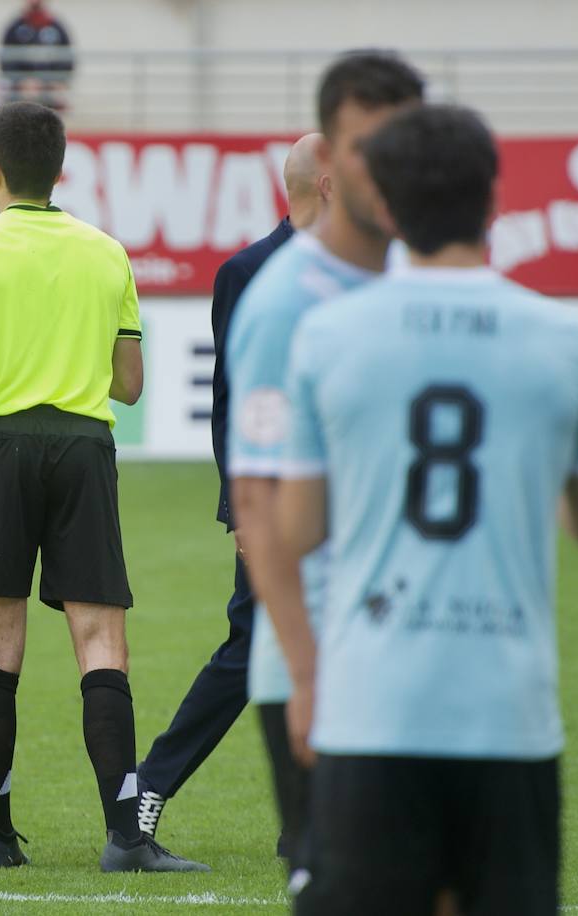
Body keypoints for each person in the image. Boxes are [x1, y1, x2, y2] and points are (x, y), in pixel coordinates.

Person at [275, 104, 578, 916]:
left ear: (385, 205)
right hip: (508, 713)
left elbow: (297, 529)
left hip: (371, 707)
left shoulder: (329, 335)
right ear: (494, 201)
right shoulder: (565, 338)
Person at [0, 100, 206, 873]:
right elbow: (130, 385)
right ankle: (125, 839)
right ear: (61, 170)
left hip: (0, 449)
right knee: (101, 641)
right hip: (82, 445)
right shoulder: (107, 252)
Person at [225, 51, 424, 886]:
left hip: (419, 644)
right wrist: (306, 675)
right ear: (335, 163)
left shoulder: (423, 287)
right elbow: (258, 482)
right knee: (339, 879)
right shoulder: (277, 292)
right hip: (316, 644)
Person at [135, 134, 331, 852]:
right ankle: (150, 785)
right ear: (330, 186)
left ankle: (308, 823)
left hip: (352, 496)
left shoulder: (365, 272)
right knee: (254, 643)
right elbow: (232, 396)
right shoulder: (250, 270)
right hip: (275, 494)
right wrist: (238, 504)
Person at [0, 0, 72, 110]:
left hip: (51, 82)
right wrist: (21, 81)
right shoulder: (15, 26)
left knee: (58, 97)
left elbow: (67, 57)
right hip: (22, 82)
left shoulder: (56, 26)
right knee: (2, 99)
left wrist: (57, 80)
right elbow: (5, 59)